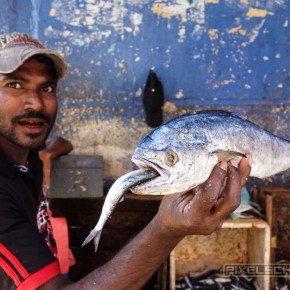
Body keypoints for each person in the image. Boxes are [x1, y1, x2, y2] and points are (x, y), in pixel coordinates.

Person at [0, 32, 251, 290]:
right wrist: (165, 229)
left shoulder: (25, 149)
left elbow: (59, 142)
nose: (36, 103)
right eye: (15, 85)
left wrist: (49, 153)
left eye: (47, 88)